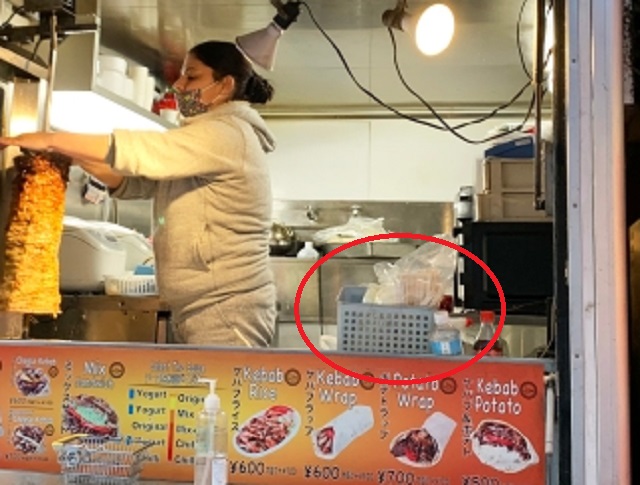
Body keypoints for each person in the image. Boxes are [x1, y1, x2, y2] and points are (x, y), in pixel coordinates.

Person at [0, 41, 278, 348]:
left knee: (220, 381)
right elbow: (135, 181)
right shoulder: (204, 140)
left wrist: (51, 139)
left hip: (227, 309)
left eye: (191, 76)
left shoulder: (228, 134)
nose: (179, 85)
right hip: (202, 306)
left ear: (225, 86)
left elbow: (142, 150)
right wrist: (72, 156)